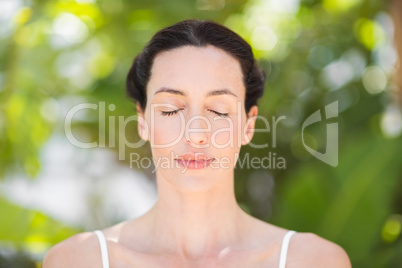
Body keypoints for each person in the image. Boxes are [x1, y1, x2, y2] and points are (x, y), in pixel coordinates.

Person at [43, 19, 351, 267]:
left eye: (218, 111)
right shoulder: (79, 260)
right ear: (143, 120)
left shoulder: (312, 261)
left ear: (248, 125)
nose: (195, 134)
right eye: (171, 109)